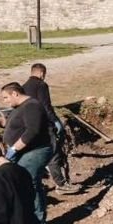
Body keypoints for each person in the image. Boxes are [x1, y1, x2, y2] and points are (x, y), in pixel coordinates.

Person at [0, 82, 54, 224]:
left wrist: (14, 148)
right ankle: (27, 219)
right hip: (24, 152)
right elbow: (11, 124)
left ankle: (38, 223)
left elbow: (32, 131)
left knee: (30, 182)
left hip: (36, 151)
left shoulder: (32, 106)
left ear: (15, 94)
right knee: (24, 183)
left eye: (5, 97)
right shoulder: (20, 107)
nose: (4, 101)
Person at [23, 63, 77, 193]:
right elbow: (46, 106)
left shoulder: (23, 87)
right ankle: (61, 184)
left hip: (30, 126)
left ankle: (35, 184)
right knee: (53, 154)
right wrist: (55, 121)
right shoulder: (41, 85)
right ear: (42, 73)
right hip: (44, 125)